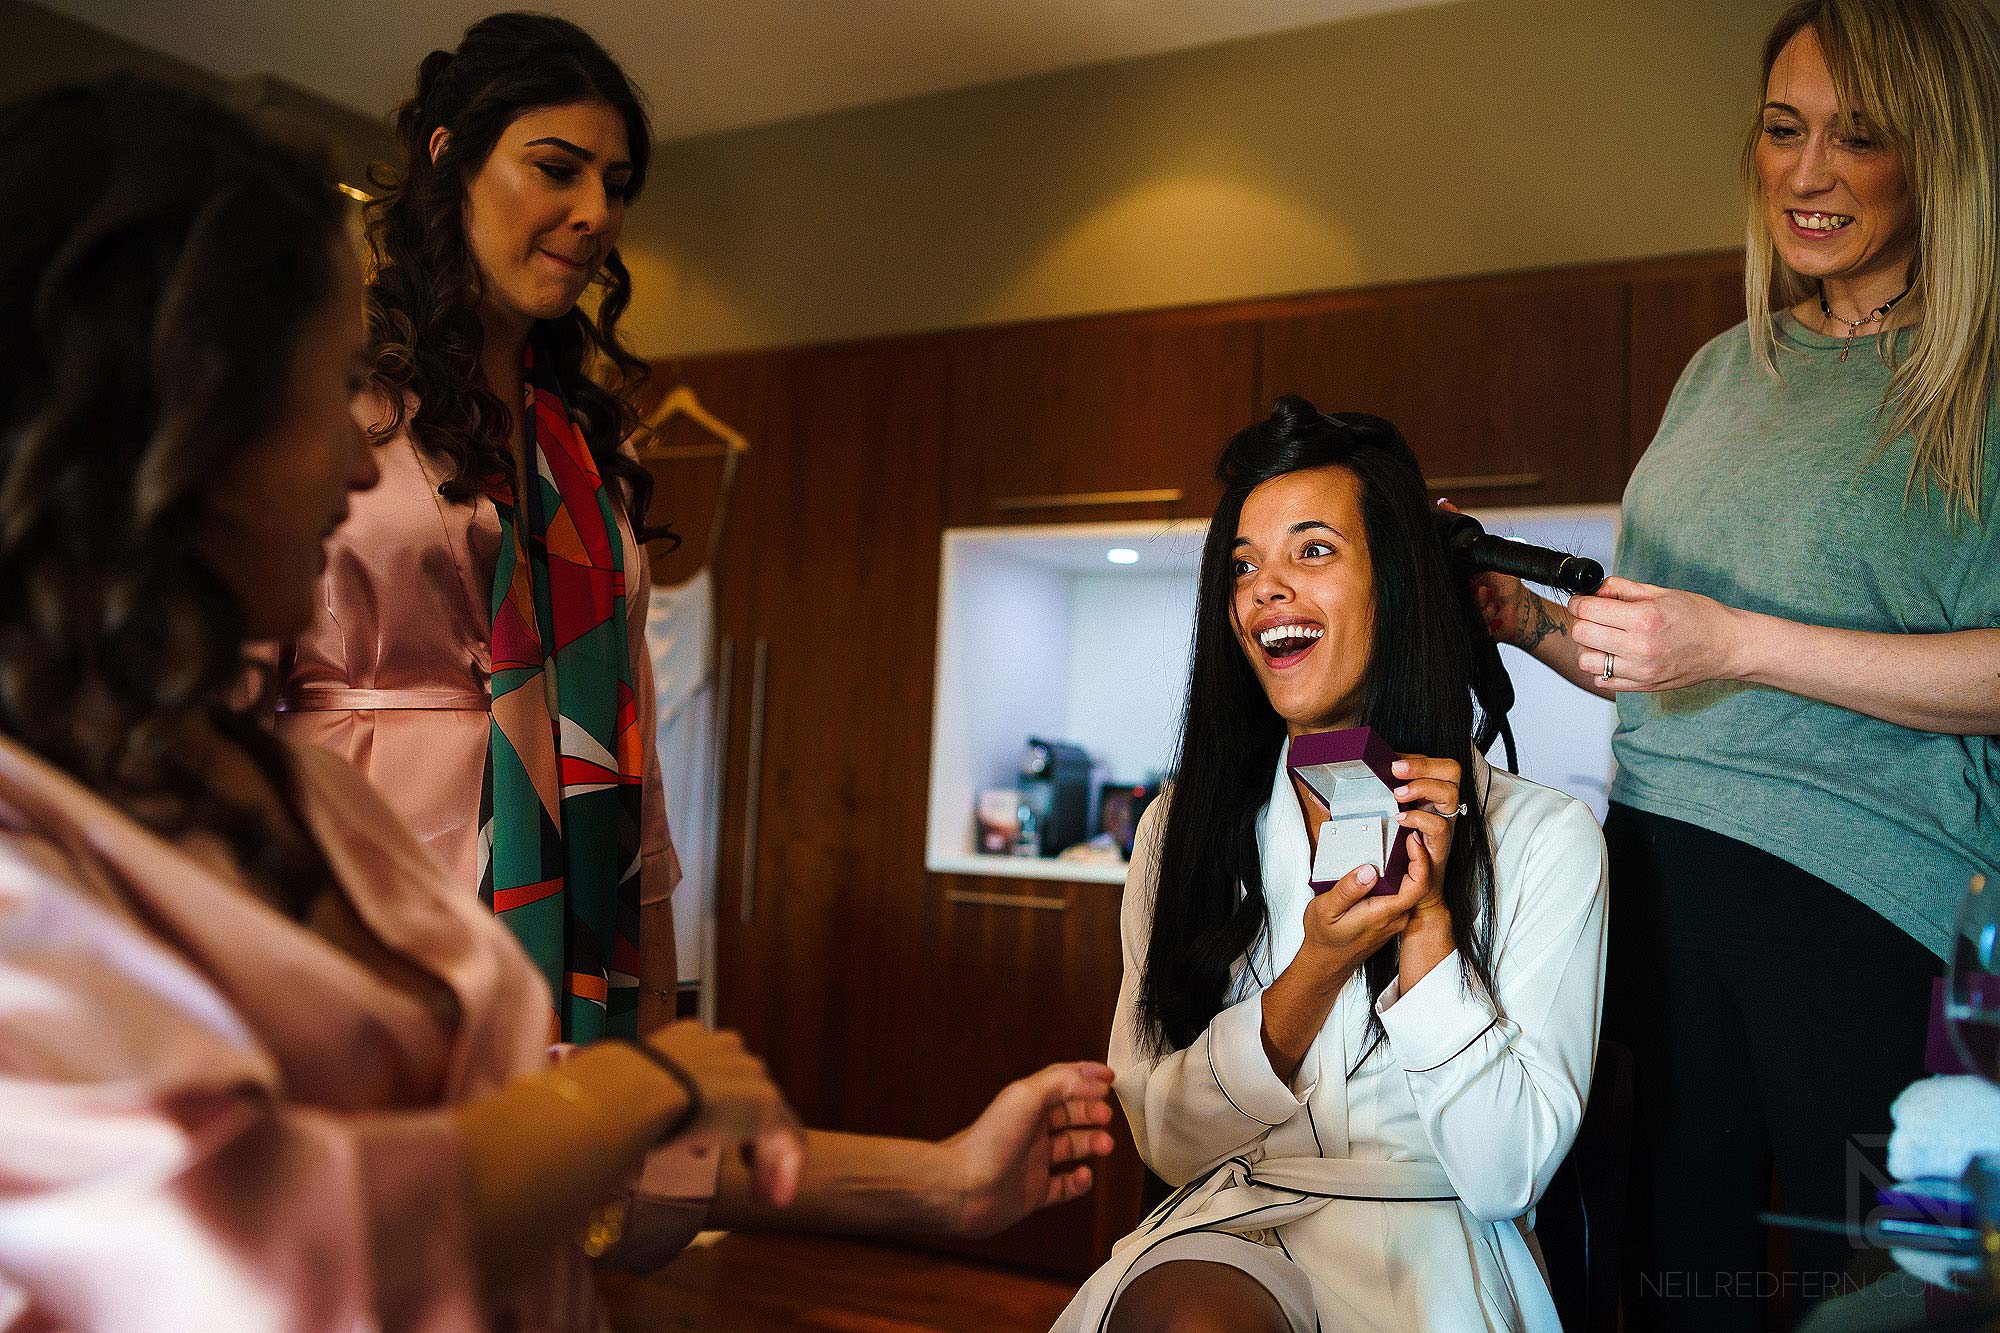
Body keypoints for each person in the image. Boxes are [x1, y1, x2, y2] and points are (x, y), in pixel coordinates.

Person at [0, 77, 1115, 1331]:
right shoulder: (28, 873)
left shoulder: (307, 803)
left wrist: (943, 1181)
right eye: (324, 392)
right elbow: (269, 1240)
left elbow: (515, 1139)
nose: (363, 459)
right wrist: (634, 1090)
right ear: (168, 423)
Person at [1472, 1, 2000, 1326]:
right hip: (1651, 880)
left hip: (1868, 901)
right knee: (1666, 1287)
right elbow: (1669, 666)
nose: (1808, 172)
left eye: (1856, 135)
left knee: (1873, 1299)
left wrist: (1740, 641)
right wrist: (1523, 619)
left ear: (1933, 155)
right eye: (1781, 129)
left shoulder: (1978, 377)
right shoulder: (1719, 371)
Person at [1053, 399, 1609, 1333]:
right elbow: (1165, 1138)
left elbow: (1505, 1172)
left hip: (1435, 1251)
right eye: (1244, 566)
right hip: (1229, 1230)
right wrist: (1317, 967)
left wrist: (1426, 925)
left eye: (1312, 550)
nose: (1265, 589)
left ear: (1399, 583)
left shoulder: (1545, 838)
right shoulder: (1178, 829)